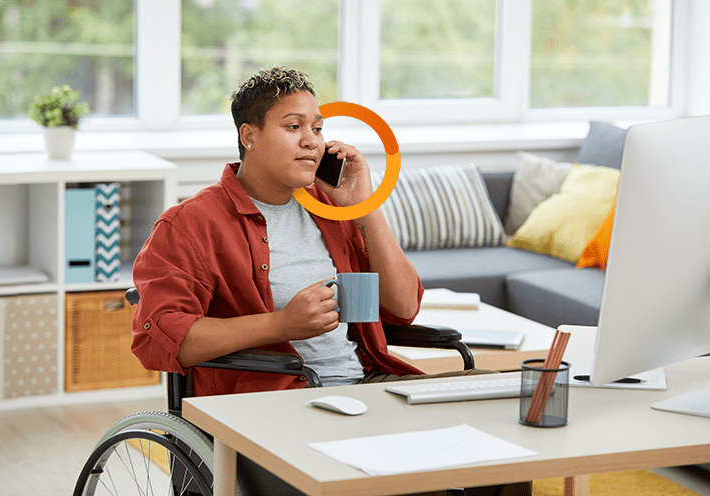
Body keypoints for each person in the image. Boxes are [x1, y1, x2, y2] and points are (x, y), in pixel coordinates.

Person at [131, 67, 527, 496]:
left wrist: (364, 205)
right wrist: (281, 325)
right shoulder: (191, 224)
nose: (311, 140)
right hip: (271, 403)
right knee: (422, 480)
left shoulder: (329, 209)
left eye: (318, 128)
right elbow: (160, 339)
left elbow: (401, 306)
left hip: (367, 387)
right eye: (293, 126)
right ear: (249, 135)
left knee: (504, 418)